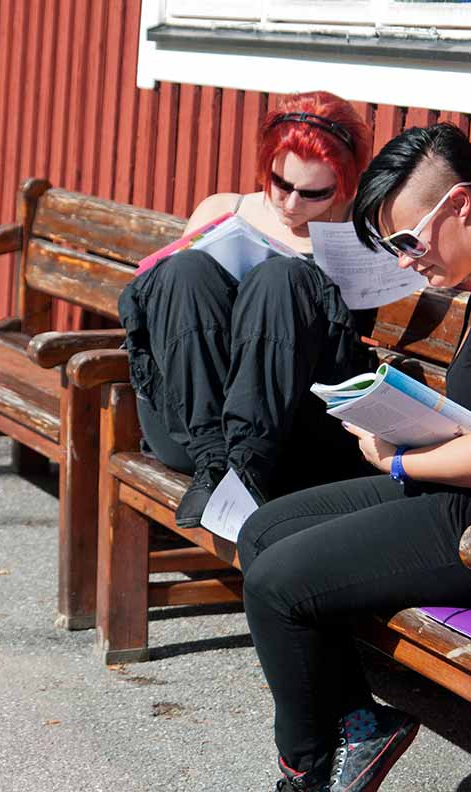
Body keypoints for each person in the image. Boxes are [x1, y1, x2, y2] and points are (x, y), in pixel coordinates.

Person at [237, 123, 471, 792]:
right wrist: (405, 428)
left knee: (278, 585)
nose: (402, 261)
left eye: (405, 241)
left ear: (460, 206)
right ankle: (361, 721)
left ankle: (307, 773)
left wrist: (400, 463)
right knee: (263, 530)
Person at [117, 91, 375, 528]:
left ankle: (245, 466)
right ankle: (218, 464)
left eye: (315, 193)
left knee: (283, 279)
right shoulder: (223, 209)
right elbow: (170, 319)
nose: (292, 205)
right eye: (281, 184)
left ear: (345, 183)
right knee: (185, 270)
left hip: (293, 435)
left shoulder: (361, 236)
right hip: (193, 432)